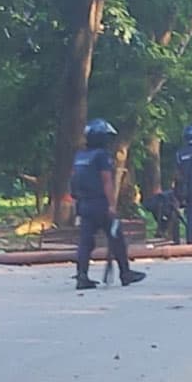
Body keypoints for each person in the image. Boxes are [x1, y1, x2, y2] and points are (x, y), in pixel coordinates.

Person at [70, 119, 146, 290]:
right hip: (100, 204)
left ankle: (82, 275)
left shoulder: (80, 156)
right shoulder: (102, 156)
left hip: (84, 204)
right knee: (116, 238)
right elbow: (107, 181)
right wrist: (112, 205)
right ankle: (125, 273)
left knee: (85, 242)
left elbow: (74, 180)